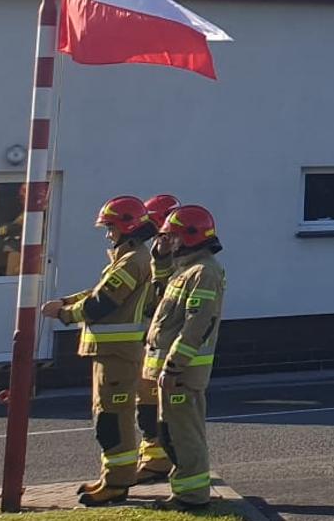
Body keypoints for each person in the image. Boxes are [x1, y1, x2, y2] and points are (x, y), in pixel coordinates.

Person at [42, 196, 155, 506]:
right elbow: (97, 291)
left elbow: (103, 302)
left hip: (118, 353)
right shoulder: (127, 257)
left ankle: (118, 484)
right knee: (106, 416)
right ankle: (111, 477)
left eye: (110, 228)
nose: (108, 235)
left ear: (126, 227)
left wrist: (65, 314)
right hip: (111, 353)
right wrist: (66, 302)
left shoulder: (133, 260)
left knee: (113, 419)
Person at [145, 205, 227, 510]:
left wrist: (175, 365)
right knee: (171, 435)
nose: (169, 241)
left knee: (185, 436)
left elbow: (197, 324)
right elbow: (161, 297)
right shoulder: (187, 269)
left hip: (183, 373)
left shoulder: (205, 272)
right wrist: (160, 258)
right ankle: (183, 494)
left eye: (174, 236)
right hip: (174, 372)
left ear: (191, 237)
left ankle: (192, 498)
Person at [131, 193, 181, 485]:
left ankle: (157, 463)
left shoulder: (177, 257)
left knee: (153, 409)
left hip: (163, 343)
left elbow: (163, 291)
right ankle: (155, 459)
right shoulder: (158, 253)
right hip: (151, 339)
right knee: (148, 407)